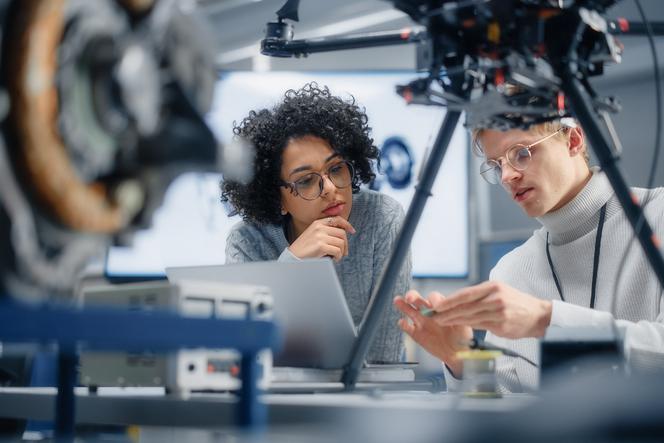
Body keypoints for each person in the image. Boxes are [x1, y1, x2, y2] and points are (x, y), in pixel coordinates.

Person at [394, 117, 664, 392]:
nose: (506, 176)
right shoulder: (511, 271)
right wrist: (463, 361)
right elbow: (504, 419)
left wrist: (545, 319)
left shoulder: (659, 215)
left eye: (521, 154)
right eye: (497, 164)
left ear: (573, 140)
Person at [222, 82, 411, 363]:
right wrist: (294, 262)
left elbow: (385, 356)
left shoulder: (382, 218)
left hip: (364, 399)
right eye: (306, 181)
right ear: (278, 199)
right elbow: (241, 353)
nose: (331, 188)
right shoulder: (248, 241)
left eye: (336, 168)